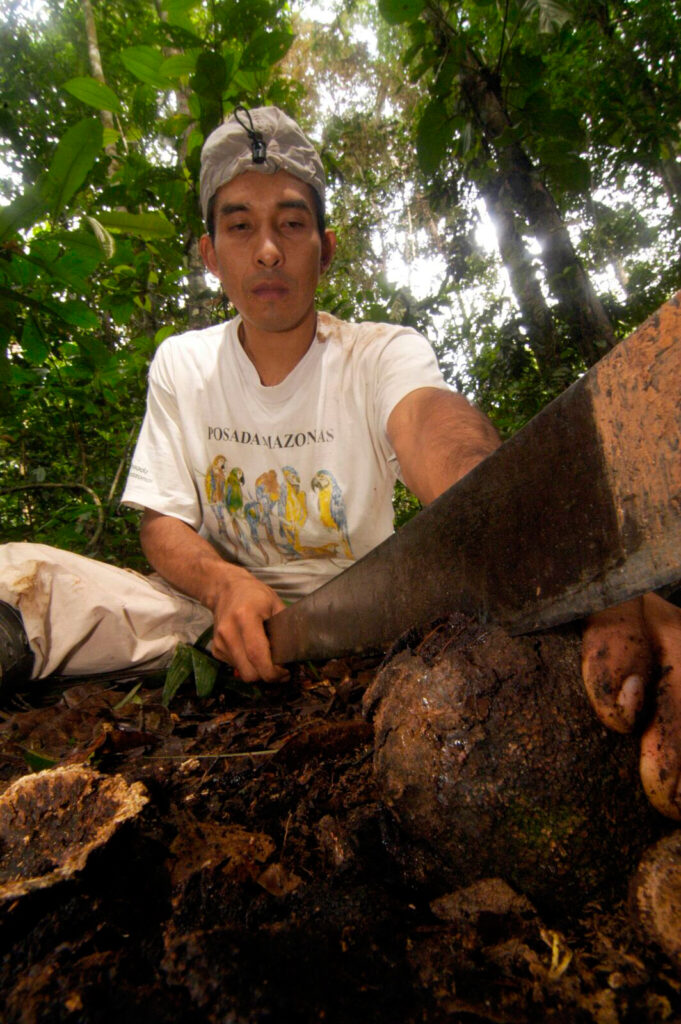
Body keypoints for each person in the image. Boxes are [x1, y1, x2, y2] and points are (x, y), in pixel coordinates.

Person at [0, 107, 679, 822]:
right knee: (20, 575)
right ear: (210, 254)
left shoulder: (379, 353)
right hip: (210, 616)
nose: (267, 250)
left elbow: (429, 424)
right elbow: (163, 522)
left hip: (366, 618)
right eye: (240, 226)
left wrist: (550, 538)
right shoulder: (183, 363)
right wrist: (227, 584)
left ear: (323, 250)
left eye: (291, 224)